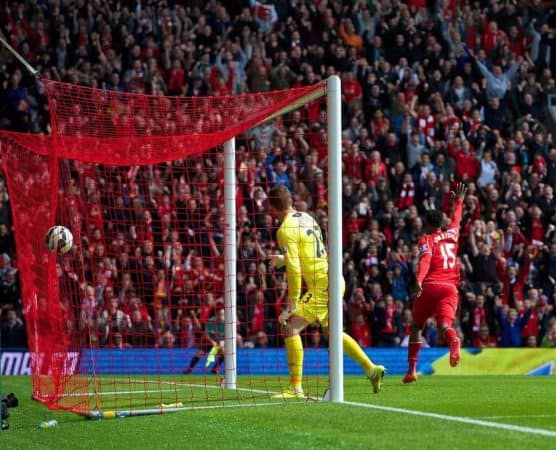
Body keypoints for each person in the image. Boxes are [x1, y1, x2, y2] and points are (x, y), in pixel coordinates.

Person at [267, 184, 385, 398]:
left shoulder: (284, 230)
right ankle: (372, 369)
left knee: (290, 327)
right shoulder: (306, 217)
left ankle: (295, 388)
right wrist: (283, 259)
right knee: (333, 333)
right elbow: (309, 252)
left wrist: (292, 301)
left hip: (322, 284)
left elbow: (294, 268)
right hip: (333, 277)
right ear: (291, 200)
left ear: (271, 208)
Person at [404, 183, 467, 384]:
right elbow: (457, 219)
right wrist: (459, 201)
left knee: (416, 326)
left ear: (428, 224)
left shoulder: (427, 240)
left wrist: (419, 280)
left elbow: (425, 260)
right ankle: (453, 339)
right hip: (450, 288)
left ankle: (412, 371)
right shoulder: (453, 234)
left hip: (430, 285)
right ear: (442, 223)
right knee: (444, 325)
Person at [183, 306, 225, 375]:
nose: (222, 316)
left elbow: (227, 337)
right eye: (220, 314)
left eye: (223, 314)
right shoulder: (211, 321)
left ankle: (214, 369)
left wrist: (221, 344)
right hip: (208, 341)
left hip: (219, 341)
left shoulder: (226, 323)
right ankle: (189, 369)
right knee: (199, 353)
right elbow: (206, 335)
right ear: (216, 314)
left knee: (224, 354)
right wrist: (212, 342)